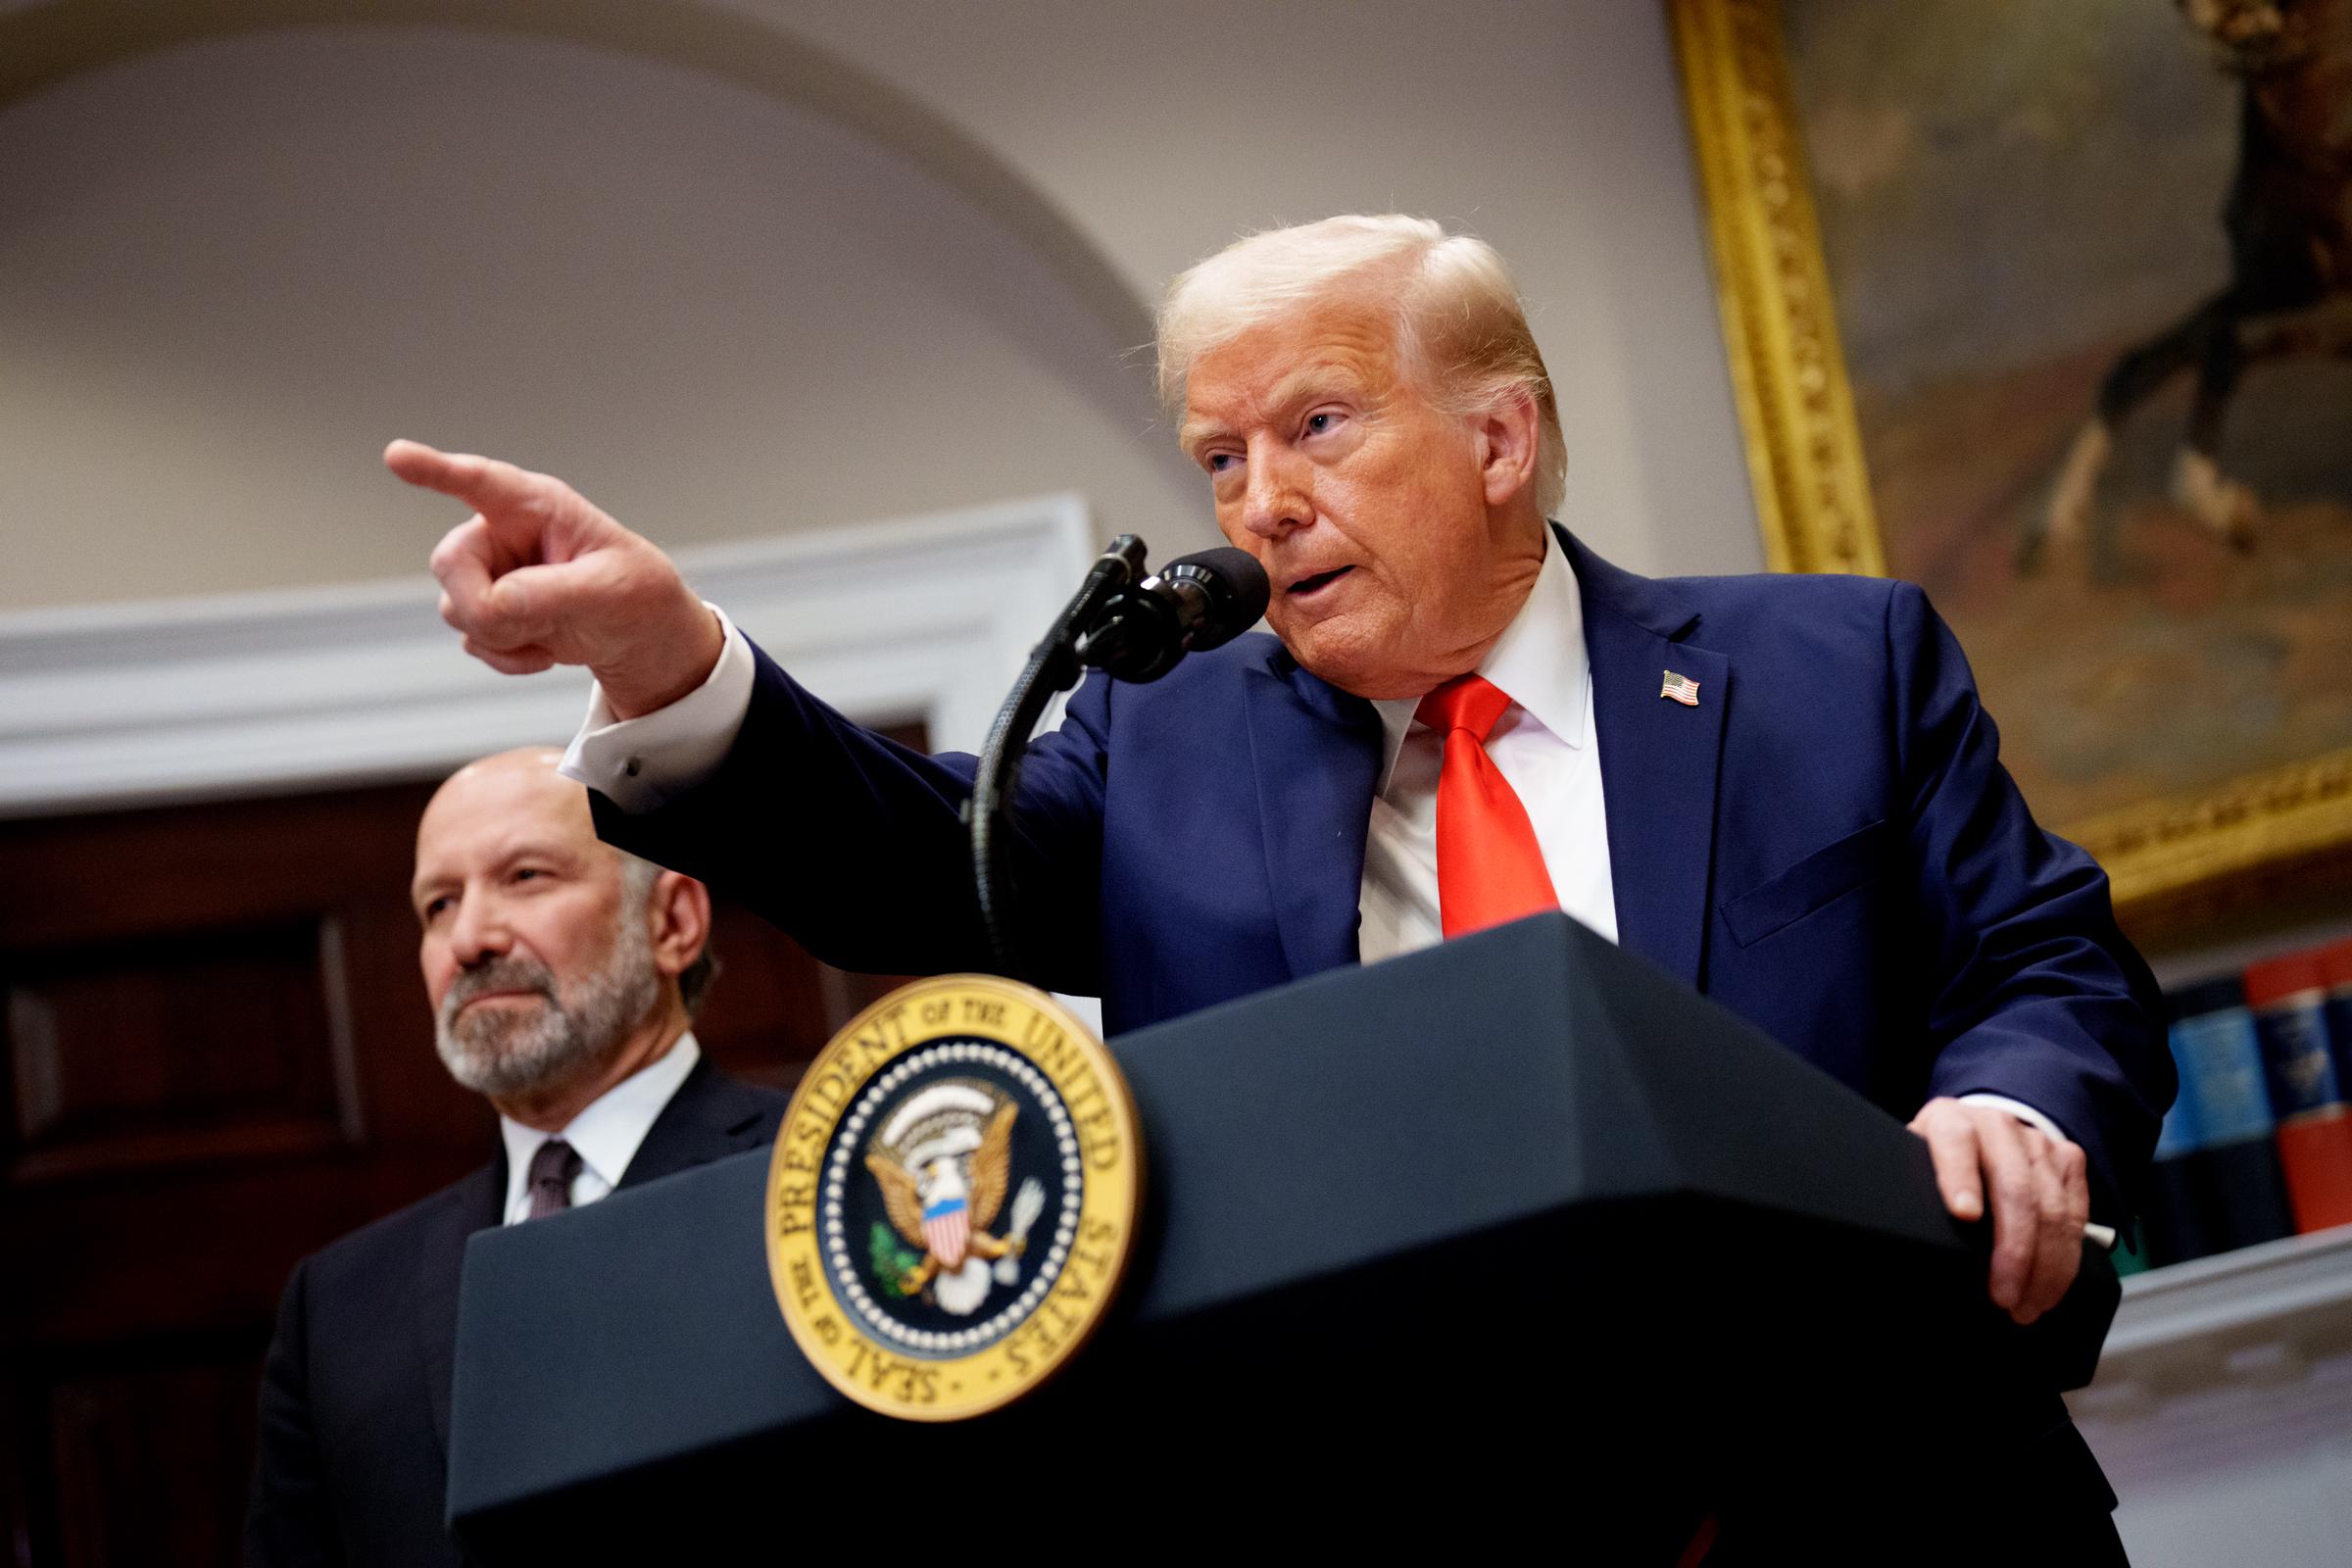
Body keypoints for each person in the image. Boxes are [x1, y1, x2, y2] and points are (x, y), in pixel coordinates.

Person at [387, 215, 2170, 1550]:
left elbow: (2048, 963)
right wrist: (670, 658)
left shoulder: (1827, 672)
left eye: (1319, 427)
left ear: (1500, 438)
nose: (1260, 504)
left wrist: (2009, 1103)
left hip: (1891, 1509)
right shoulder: (1166, 745)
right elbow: (925, 867)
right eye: (1221, 459)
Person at [245, 749, 786, 1567]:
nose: (469, 939)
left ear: (672, 921)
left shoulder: (824, 1182)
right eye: (438, 905)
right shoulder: (340, 1307)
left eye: (526, 876)